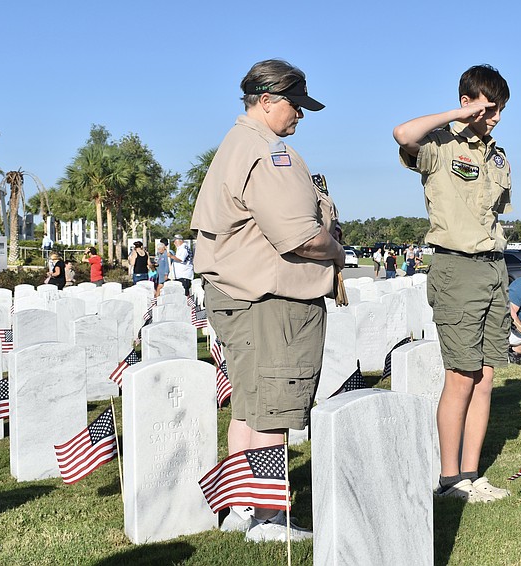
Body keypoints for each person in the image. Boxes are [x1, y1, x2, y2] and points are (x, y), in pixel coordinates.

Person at [190, 59, 343, 542]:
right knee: (273, 411)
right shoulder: (267, 153)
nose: (301, 115)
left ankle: (241, 509)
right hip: (272, 299)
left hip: (237, 293)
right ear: (269, 100)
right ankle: (271, 519)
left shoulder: (234, 145)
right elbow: (300, 237)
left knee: (248, 408)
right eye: (296, 105)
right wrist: (337, 249)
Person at [393, 64, 512, 503]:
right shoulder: (439, 145)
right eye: (489, 108)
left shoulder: (498, 156)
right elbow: (403, 133)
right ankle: (450, 480)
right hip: (456, 268)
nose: (495, 117)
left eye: (500, 110)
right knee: (460, 376)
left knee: (484, 376)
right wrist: (457, 116)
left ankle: (471, 473)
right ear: (468, 102)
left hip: (493, 266)